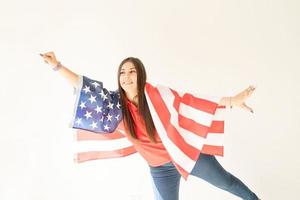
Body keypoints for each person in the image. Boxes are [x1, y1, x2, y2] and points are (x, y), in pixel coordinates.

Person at [40, 51, 261, 200]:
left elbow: (191, 101)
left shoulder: (158, 95)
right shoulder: (116, 105)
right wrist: (57, 66)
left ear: (141, 74)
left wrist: (232, 101)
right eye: (122, 72)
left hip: (185, 155)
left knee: (226, 182)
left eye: (132, 71)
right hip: (159, 169)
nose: (126, 76)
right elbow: (84, 86)